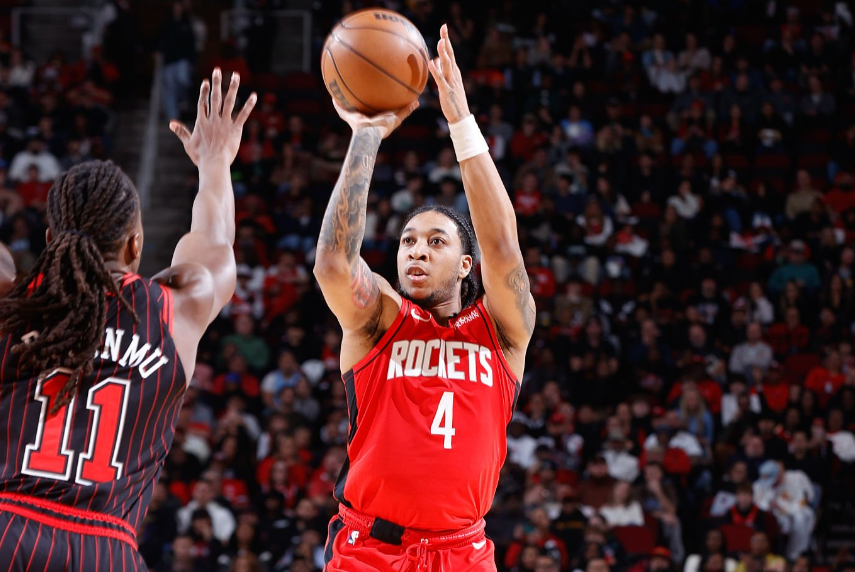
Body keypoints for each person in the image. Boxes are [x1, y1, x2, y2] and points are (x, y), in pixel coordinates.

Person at [0, 69, 255, 570]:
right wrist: (214, 162)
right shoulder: (177, 310)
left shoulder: (11, 305)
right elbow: (216, 241)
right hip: (106, 548)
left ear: (50, 239)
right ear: (136, 244)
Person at [315, 25, 534, 572]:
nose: (417, 250)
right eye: (408, 241)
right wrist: (367, 134)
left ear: (465, 265)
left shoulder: (503, 332)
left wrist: (461, 122)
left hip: (463, 552)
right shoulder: (379, 320)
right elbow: (334, 264)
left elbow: (502, 247)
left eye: (436, 242)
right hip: (369, 551)